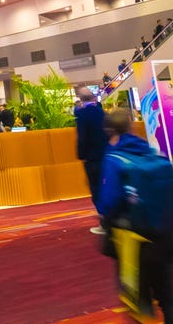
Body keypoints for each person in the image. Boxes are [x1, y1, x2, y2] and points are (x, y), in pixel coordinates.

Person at [97, 109, 173, 324]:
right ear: (131, 126)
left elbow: (109, 202)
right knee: (168, 299)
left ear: (109, 132)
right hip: (165, 235)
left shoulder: (113, 159)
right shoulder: (152, 153)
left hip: (133, 241)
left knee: (140, 303)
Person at [75, 87, 109, 235]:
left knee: (96, 189)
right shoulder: (102, 112)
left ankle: (105, 223)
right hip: (106, 155)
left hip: (92, 157)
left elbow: (82, 137)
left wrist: (81, 155)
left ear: (80, 99)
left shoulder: (82, 115)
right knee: (107, 186)